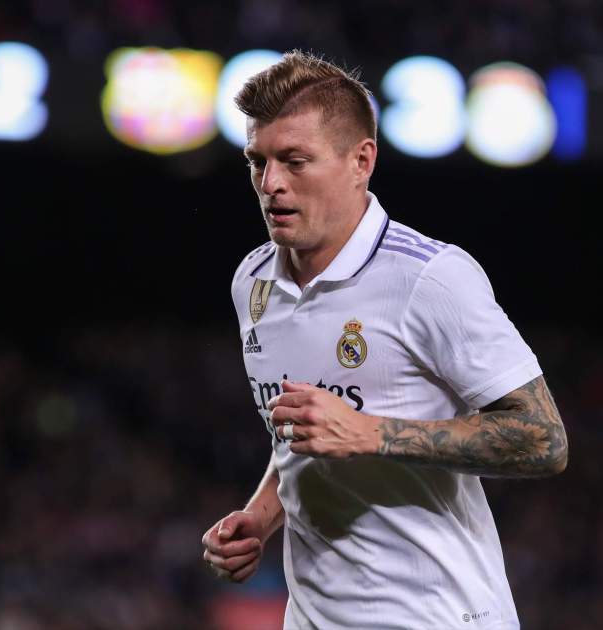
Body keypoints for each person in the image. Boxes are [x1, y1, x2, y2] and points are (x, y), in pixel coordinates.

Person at [202, 50, 568, 629]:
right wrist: (260, 517)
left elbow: (544, 440)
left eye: (295, 161)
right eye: (258, 161)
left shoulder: (429, 277)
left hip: (437, 616)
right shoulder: (253, 280)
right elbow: (296, 438)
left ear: (361, 160)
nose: (270, 184)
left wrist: (372, 433)